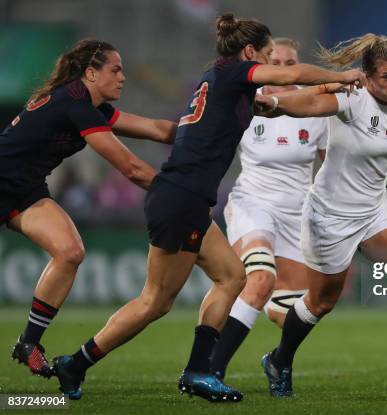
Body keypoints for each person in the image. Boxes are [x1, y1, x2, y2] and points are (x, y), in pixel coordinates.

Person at [52, 13, 365, 403]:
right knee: (155, 302)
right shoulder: (234, 73)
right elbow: (290, 76)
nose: (272, 65)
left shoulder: (217, 80)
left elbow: (287, 98)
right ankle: (77, 363)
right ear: (250, 53)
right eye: (268, 56)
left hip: (191, 198)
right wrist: (345, 74)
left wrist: (335, 85)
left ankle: (200, 370)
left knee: (233, 278)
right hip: (181, 195)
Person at [254, 33, 387, 397]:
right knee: (321, 302)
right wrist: (273, 103)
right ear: (366, 77)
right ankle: (278, 359)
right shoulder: (350, 98)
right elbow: (308, 104)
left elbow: (378, 152)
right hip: (330, 217)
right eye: (386, 76)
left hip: (374, 208)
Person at [1, 39, 174, 379]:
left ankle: (28, 343)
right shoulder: (74, 102)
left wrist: (205, 128)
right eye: (115, 69)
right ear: (91, 73)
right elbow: (131, 168)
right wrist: (175, 192)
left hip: (24, 190)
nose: (123, 77)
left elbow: (155, 129)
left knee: (70, 252)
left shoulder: (89, 105)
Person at [209, 38, 328, 380]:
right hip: (253, 203)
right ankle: (212, 370)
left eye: (291, 63)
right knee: (260, 279)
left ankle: (276, 360)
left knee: (300, 310)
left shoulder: (317, 109)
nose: (284, 69)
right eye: (276, 61)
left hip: (297, 214)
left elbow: (333, 168)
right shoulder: (247, 103)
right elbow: (211, 146)